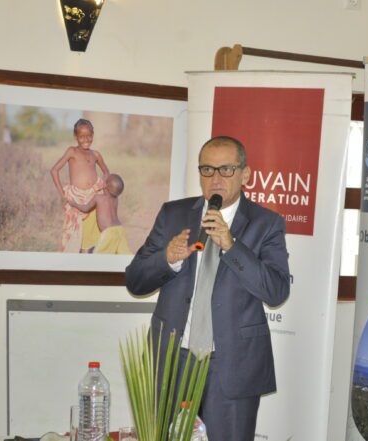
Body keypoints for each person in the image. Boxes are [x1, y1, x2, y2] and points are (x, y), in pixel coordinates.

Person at [125, 136, 290, 441]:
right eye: (207, 170)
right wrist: (167, 259)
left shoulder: (266, 224)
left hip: (233, 365)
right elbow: (134, 280)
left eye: (226, 170)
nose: (215, 179)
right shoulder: (173, 215)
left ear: (245, 174)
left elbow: (277, 290)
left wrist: (232, 246)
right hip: (172, 361)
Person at [50, 118, 110, 253]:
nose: (86, 139)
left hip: (93, 200)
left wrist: (99, 187)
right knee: (74, 236)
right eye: (82, 136)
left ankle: (86, 257)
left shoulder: (96, 154)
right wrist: (62, 195)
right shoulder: (72, 151)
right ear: (75, 136)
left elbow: (106, 172)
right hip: (76, 200)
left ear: (93, 135)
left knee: (90, 236)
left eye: (89, 136)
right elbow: (54, 170)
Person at [68, 174, 131, 255]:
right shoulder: (115, 199)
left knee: (98, 257)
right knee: (125, 255)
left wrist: (73, 203)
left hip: (108, 232)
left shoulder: (98, 198)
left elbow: (85, 208)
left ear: (105, 185)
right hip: (120, 229)